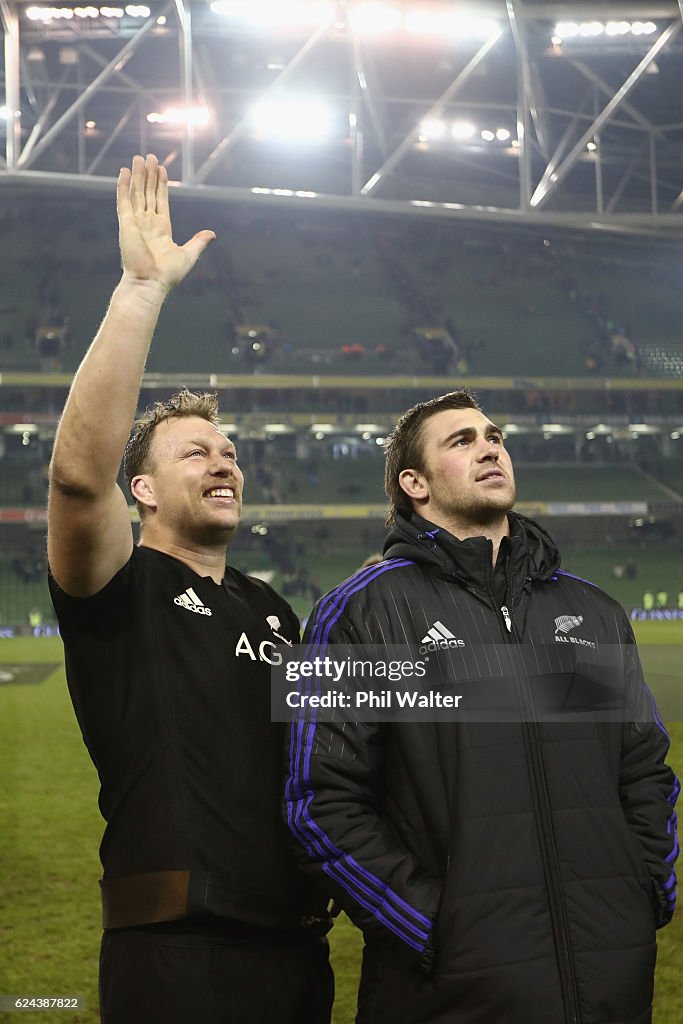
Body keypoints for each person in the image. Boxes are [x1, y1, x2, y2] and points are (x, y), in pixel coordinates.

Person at [285, 390, 679, 1024]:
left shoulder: (596, 610)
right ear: (414, 483)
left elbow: (644, 770)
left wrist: (642, 892)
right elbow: (320, 802)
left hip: (610, 976)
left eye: (494, 436)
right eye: (461, 440)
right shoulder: (360, 611)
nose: (490, 447)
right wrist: (431, 925)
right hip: (452, 990)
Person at [47, 155, 333, 1024]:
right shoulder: (118, 587)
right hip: (177, 953)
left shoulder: (272, 609)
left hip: (296, 947)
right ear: (143, 491)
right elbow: (74, 479)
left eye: (232, 452)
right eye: (196, 452)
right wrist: (139, 292)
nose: (225, 463)